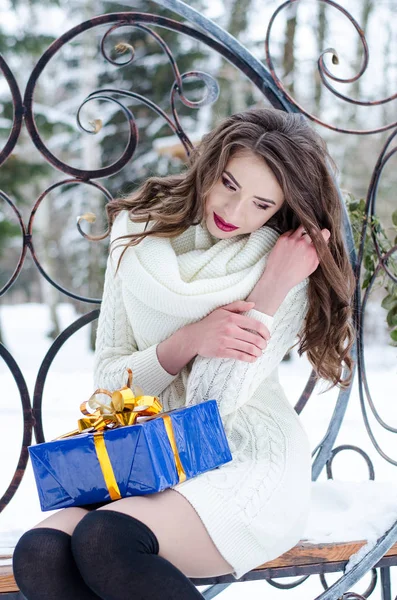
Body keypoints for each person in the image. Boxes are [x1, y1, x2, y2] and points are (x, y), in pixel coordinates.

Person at [13, 107, 355, 599]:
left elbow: (209, 409)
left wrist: (271, 290)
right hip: (148, 459)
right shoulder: (138, 233)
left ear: (279, 210)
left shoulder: (283, 261)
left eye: (261, 204)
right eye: (229, 184)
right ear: (210, 164)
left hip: (245, 460)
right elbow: (109, 384)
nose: (235, 214)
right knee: (42, 550)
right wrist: (188, 341)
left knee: (107, 537)